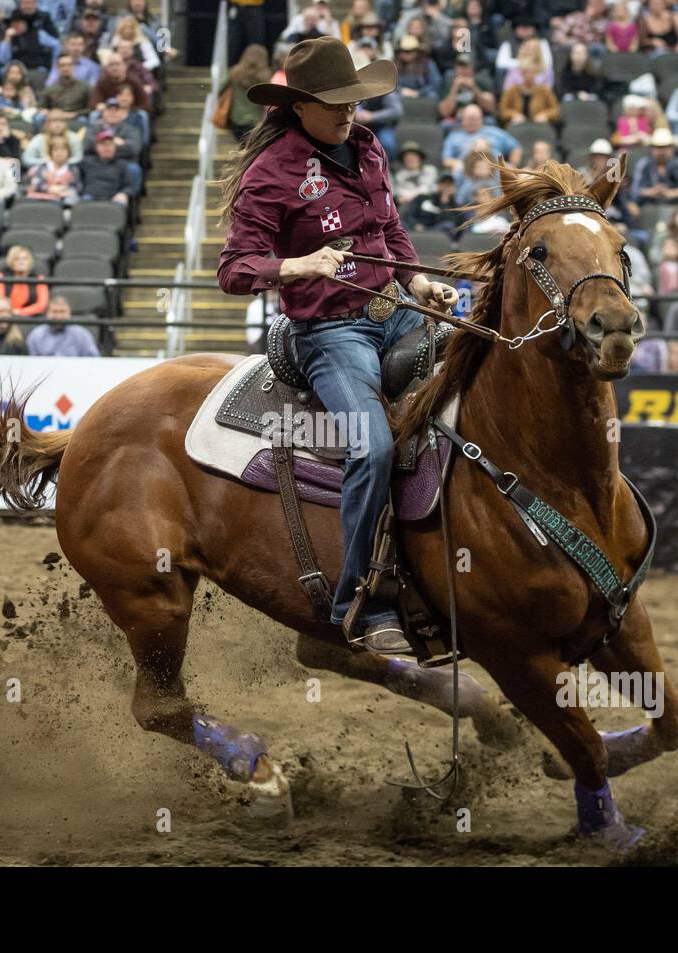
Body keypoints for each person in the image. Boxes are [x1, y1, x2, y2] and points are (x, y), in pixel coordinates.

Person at [217, 37, 456, 655]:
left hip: (397, 312)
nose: (349, 112)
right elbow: (236, 269)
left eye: (354, 100)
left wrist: (421, 281)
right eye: (335, 103)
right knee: (370, 443)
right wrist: (297, 267)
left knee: (485, 365)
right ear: (299, 106)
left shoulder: (367, 147)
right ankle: (360, 600)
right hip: (331, 332)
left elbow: (390, 233)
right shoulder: (271, 176)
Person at [0, 245, 49, 317]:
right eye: (17, 259)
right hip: (5, 317)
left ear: (29, 261)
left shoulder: (39, 279)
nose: (21, 262)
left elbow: (42, 305)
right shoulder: (1, 277)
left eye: (25, 259)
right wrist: (11, 313)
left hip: (31, 319)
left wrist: (19, 312)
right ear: (11, 262)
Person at [26, 296, 98, 356]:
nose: (59, 316)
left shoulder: (82, 335)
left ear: (69, 313)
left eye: (62, 311)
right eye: (55, 311)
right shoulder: (36, 336)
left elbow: (94, 361)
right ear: (47, 313)